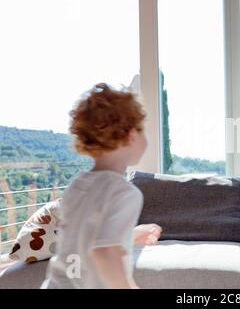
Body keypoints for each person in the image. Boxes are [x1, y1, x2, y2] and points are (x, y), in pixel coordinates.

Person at [41, 83, 161, 289]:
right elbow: (105, 253)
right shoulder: (125, 193)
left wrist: (129, 236)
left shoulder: (77, 185)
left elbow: (84, 238)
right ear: (131, 135)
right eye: (143, 131)